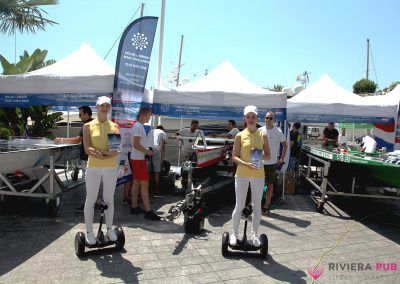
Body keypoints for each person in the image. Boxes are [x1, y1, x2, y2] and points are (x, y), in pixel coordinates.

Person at [230, 105, 271, 247]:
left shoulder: (263, 134)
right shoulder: (239, 135)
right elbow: (234, 157)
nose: (251, 119)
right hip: (242, 174)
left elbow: (268, 155)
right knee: (239, 205)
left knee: (257, 206)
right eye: (248, 116)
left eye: (253, 116)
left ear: (257, 118)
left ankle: (254, 235)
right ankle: (233, 234)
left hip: (258, 175)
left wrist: (260, 158)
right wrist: (246, 164)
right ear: (245, 119)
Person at [82, 96, 120, 245]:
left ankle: (109, 229)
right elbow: (87, 148)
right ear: (97, 107)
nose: (105, 108)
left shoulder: (114, 126)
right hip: (93, 167)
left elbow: (115, 150)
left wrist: (101, 154)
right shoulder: (87, 126)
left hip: (110, 167)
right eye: (102, 105)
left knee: (109, 199)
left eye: (107, 106)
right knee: (90, 200)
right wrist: (104, 153)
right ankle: (89, 232)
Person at [54, 106, 93, 213]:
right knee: (92, 183)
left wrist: (61, 139)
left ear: (86, 114)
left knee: (88, 183)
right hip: (93, 157)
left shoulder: (86, 125)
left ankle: (88, 206)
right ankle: (92, 203)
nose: (80, 117)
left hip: (87, 157)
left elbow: (77, 140)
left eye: (80, 114)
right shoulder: (94, 123)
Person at [129, 107, 161, 221]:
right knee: (144, 185)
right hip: (138, 159)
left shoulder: (137, 126)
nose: (150, 117)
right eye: (149, 115)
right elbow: (136, 144)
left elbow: (136, 145)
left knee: (136, 182)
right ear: (144, 114)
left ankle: (134, 207)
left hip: (136, 158)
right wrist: (148, 152)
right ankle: (148, 211)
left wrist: (146, 150)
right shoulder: (138, 126)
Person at [258, 111, 288, 216]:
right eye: (267, 118)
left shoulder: (278, 131)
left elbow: (285, 145)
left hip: (271, 163)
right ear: (264, 119)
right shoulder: (259, 130)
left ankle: (266, 206)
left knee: (269, 185)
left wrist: (281, 159)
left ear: (274, 120)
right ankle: (257, 205)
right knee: (258, 185)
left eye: (271, 118)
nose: (269, 120)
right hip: (260, 163)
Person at [148, 125, 167, 196]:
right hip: (156, 150)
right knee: (157, 172)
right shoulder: (162, 132)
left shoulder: (151, 131)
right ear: (162, 129)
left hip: (147, 150)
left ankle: (146, 190)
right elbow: (163, 147)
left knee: (148, 172)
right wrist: (162, 160)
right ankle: (156, 191)